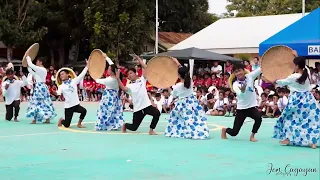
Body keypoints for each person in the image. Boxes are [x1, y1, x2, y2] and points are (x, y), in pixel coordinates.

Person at [272, 56, 320, 149]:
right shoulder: (307, 73)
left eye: (294, 65)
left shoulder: (294, 76)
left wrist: (273, 80)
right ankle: (312, 142)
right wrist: (296, 55)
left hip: (296, 99)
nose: (293, 66)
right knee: (311, 120)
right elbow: (304, 66)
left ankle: (288, 138)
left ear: (297, 66)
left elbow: (282, 82)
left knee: (288, 118)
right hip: (308, 99)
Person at [164, 58, 209, 140]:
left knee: (178, 118)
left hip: (183, 102)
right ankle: (195, 131)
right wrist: (177, 62)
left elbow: (174, 95)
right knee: (193, 118)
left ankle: (182, 131)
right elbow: (183, 70)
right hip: (192, 101)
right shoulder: (190, 81)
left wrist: (168, 88)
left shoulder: (178, 85)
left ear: (178, 75)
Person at [115, 56, 160, 135]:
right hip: (138, 108)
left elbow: (145, 67)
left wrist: (138, 59)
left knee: (157, 113)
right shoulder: (129, 85)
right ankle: (125, 125)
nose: (129, 75)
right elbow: (124, 89)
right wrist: (118, 79)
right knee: (134, 127)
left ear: (135, 73)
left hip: (146, 106)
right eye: (128, 75)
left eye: (131, 73)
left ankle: (151, 130)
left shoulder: (142, 80)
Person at [221, 64, 262, 142]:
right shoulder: (235, 84)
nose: (239, 73)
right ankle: (225, 129)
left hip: (251, 107)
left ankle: (252, 136)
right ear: (234, 74)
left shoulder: (250, 76)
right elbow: (241, 94)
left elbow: (261, 69)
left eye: (240, 70)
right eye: (236, 72)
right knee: (234, 132)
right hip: (241, 109)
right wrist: (244, 86)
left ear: (243, 70)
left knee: (258, 118)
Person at [94, 57, 124, 131]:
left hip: (108, 98)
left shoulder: (109, 80)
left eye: (109, 69)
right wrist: (106, 57)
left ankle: (103, 125)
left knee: (104, 111)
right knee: (114, 112)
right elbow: (112, 64)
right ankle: (114, 124)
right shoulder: (117, 77)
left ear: (112, 71)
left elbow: (97, 80)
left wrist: (93, 73)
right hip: (115, 97)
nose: (107, 70)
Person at [25, 56, 56, 124]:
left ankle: (40, 119)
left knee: (39, 102)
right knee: (40, 102)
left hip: (40, 87)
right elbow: (31, 71)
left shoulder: (42, 69)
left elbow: (31, 65)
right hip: (40, 87)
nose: (36, 62)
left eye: (37, 61)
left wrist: (28, 58)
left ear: (40, 62)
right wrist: (27, 65)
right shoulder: (39, 70)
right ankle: (39, 118)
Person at [57, 63, 88, 128]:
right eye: (60, 75)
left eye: (62, 74)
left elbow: (82, 75)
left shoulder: (74, 81)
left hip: (76, 105)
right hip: (68, 107)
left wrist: (87, 66)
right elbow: (58, 93)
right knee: (67, 125)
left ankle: (79, 124)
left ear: (68, 74)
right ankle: (61, 120)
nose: (61, 76)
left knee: (84, 111)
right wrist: (55, 92)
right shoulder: (61, 86)